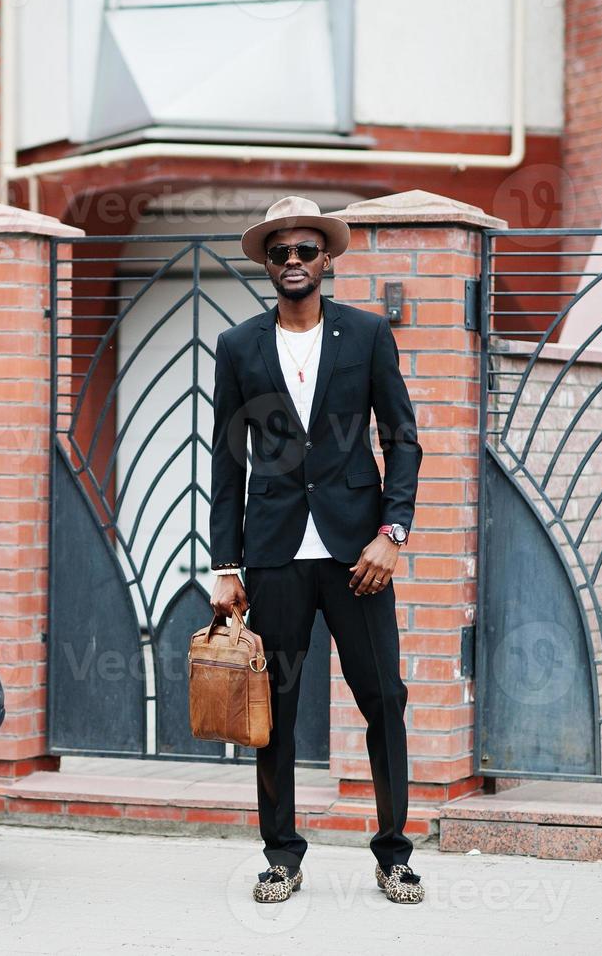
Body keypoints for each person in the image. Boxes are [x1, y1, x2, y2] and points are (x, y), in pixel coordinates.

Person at [208, 195, 425, 905]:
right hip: (273, 555)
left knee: (383, 699)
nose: (293, 261)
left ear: (326, 259)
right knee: (274, 705)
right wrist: (224, 566)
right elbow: (226, 462)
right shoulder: (238, 346)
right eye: (280, 252)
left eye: (306, 250)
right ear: (267, 264)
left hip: (355, 553)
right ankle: (281, 855)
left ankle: (393, 854)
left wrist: (392, 533)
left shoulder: (364, 335)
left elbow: (401, 437)